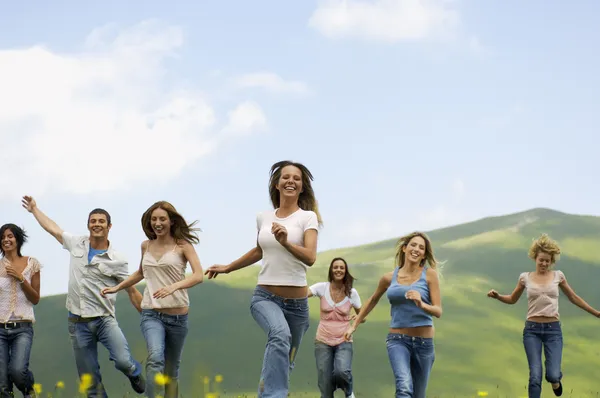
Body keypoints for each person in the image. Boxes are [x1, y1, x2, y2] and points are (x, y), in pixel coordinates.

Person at [205, 160, 322, 398]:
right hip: (265, 297)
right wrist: (228, 267)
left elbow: (310, 257)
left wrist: (286, 242)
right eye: (286, 177)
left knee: (285, 360)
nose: (291, 181)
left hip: (298, 306)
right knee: (279, 336)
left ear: (302, 187)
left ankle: (266, 392)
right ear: (277, 184)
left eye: (296, 179)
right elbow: (259, 250)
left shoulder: (307, 218)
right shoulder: (263, 217)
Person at [21, 195, 146, 397]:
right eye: (93, 221)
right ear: (88, 225)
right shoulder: (76, 243)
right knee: (90, 382)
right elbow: (53, 228)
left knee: (123, 361)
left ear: (109, 226)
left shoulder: (118, 260)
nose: (96, 224)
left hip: (105, 320)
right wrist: (35, 209)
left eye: (101, 221)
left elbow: (131, 290)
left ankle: (134, 373)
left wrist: (149, 317)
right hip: (77, 323)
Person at [102, 201, 204, 398]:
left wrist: (173, 287)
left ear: (171, 222)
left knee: (171, 372)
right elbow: (141, 272)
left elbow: (198, 275)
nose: (157, 223)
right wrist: (117, 287)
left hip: (178, 318)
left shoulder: (183, 246)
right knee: (155, 358)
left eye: (162, 219)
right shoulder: (146, 245)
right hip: (152, 314)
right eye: (154, 219)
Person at [487, 233, 600, 398]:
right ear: (535, 258)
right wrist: (497, 296)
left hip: (553, 331)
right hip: (531, 330)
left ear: (551, 261)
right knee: (535, 376)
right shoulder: (525, 278)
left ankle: (555, 382)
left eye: (548, 260)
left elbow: (573, 298)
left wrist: (596, 313)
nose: (544, 263)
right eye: (541, 260)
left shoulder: (558, 276)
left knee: (552, 374)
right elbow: (512, 299)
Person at [344, 232, 442, 398]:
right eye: (413, 245)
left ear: (424, 254)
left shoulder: (430, 275)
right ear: (404, 248)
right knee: (404, 388)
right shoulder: (389, 278)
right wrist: (354, 325)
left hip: (424, 343)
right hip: (398, 341)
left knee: (418, 395)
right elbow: (373, 299)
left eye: (421, 247)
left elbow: (438, 311)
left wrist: (421, 303)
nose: (416, 249)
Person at [308, 257, 362, 398]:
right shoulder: (322, 287)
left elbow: (362, 315)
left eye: (341, 268)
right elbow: (304, 293)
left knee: (342, 371)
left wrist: (358, 318)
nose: (338, 270)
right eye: (335, 267)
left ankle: (349, 393)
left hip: (344, 339)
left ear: (345, 271)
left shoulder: (352, 293)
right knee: (324, 382)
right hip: (323, 340)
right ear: (331, 270)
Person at [0, 224, 41, 398]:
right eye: (2, 237)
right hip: (0, 328)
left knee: (17, 371)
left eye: (10, 236)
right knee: (2, 383)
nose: (6, 240)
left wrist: (20, 277)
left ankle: (29, 388)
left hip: (22, 328)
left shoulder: (32, 263)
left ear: (18, 239)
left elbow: (35, 299)